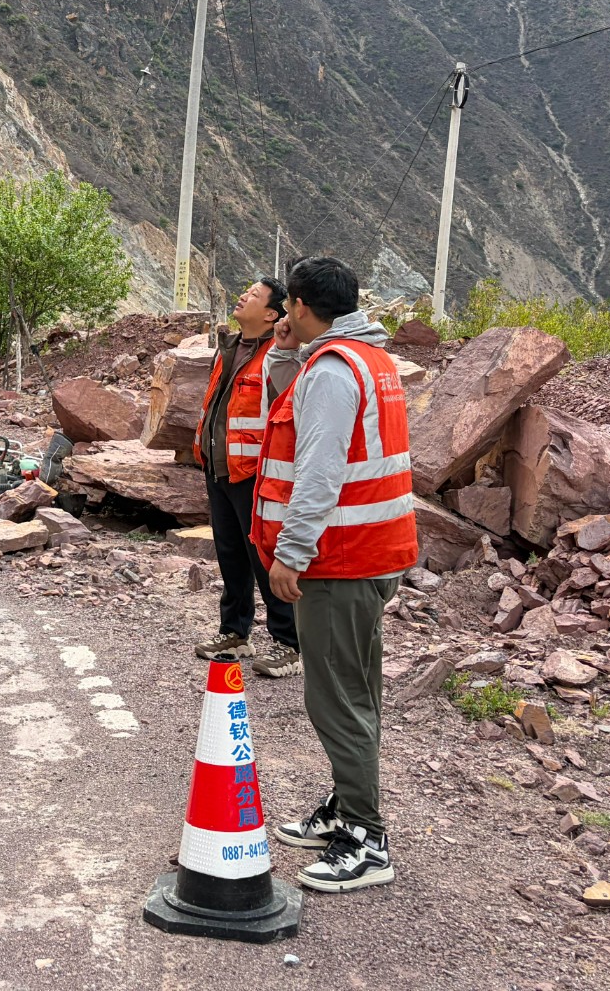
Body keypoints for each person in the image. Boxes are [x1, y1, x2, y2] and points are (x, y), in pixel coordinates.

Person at [253, 255, 417, 895]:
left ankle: (366, 837)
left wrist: (292, 553)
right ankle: (347, 806)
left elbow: (319, 473)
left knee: (337, 698)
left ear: (298, 305)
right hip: (375, 553)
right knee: (358, 689)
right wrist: (287, 354)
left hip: (341, 560)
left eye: (289, 305)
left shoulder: (331, 372)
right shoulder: (368, 359)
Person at [192, 277, 300, 676]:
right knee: (231, 556)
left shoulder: (280, 355)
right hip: (219, 468)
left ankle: (287, 642)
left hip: (256, 473)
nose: (242, 297)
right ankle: (235, 632)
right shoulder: (229, 348)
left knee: (263, 557)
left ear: (273, 314)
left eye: (253, 296)